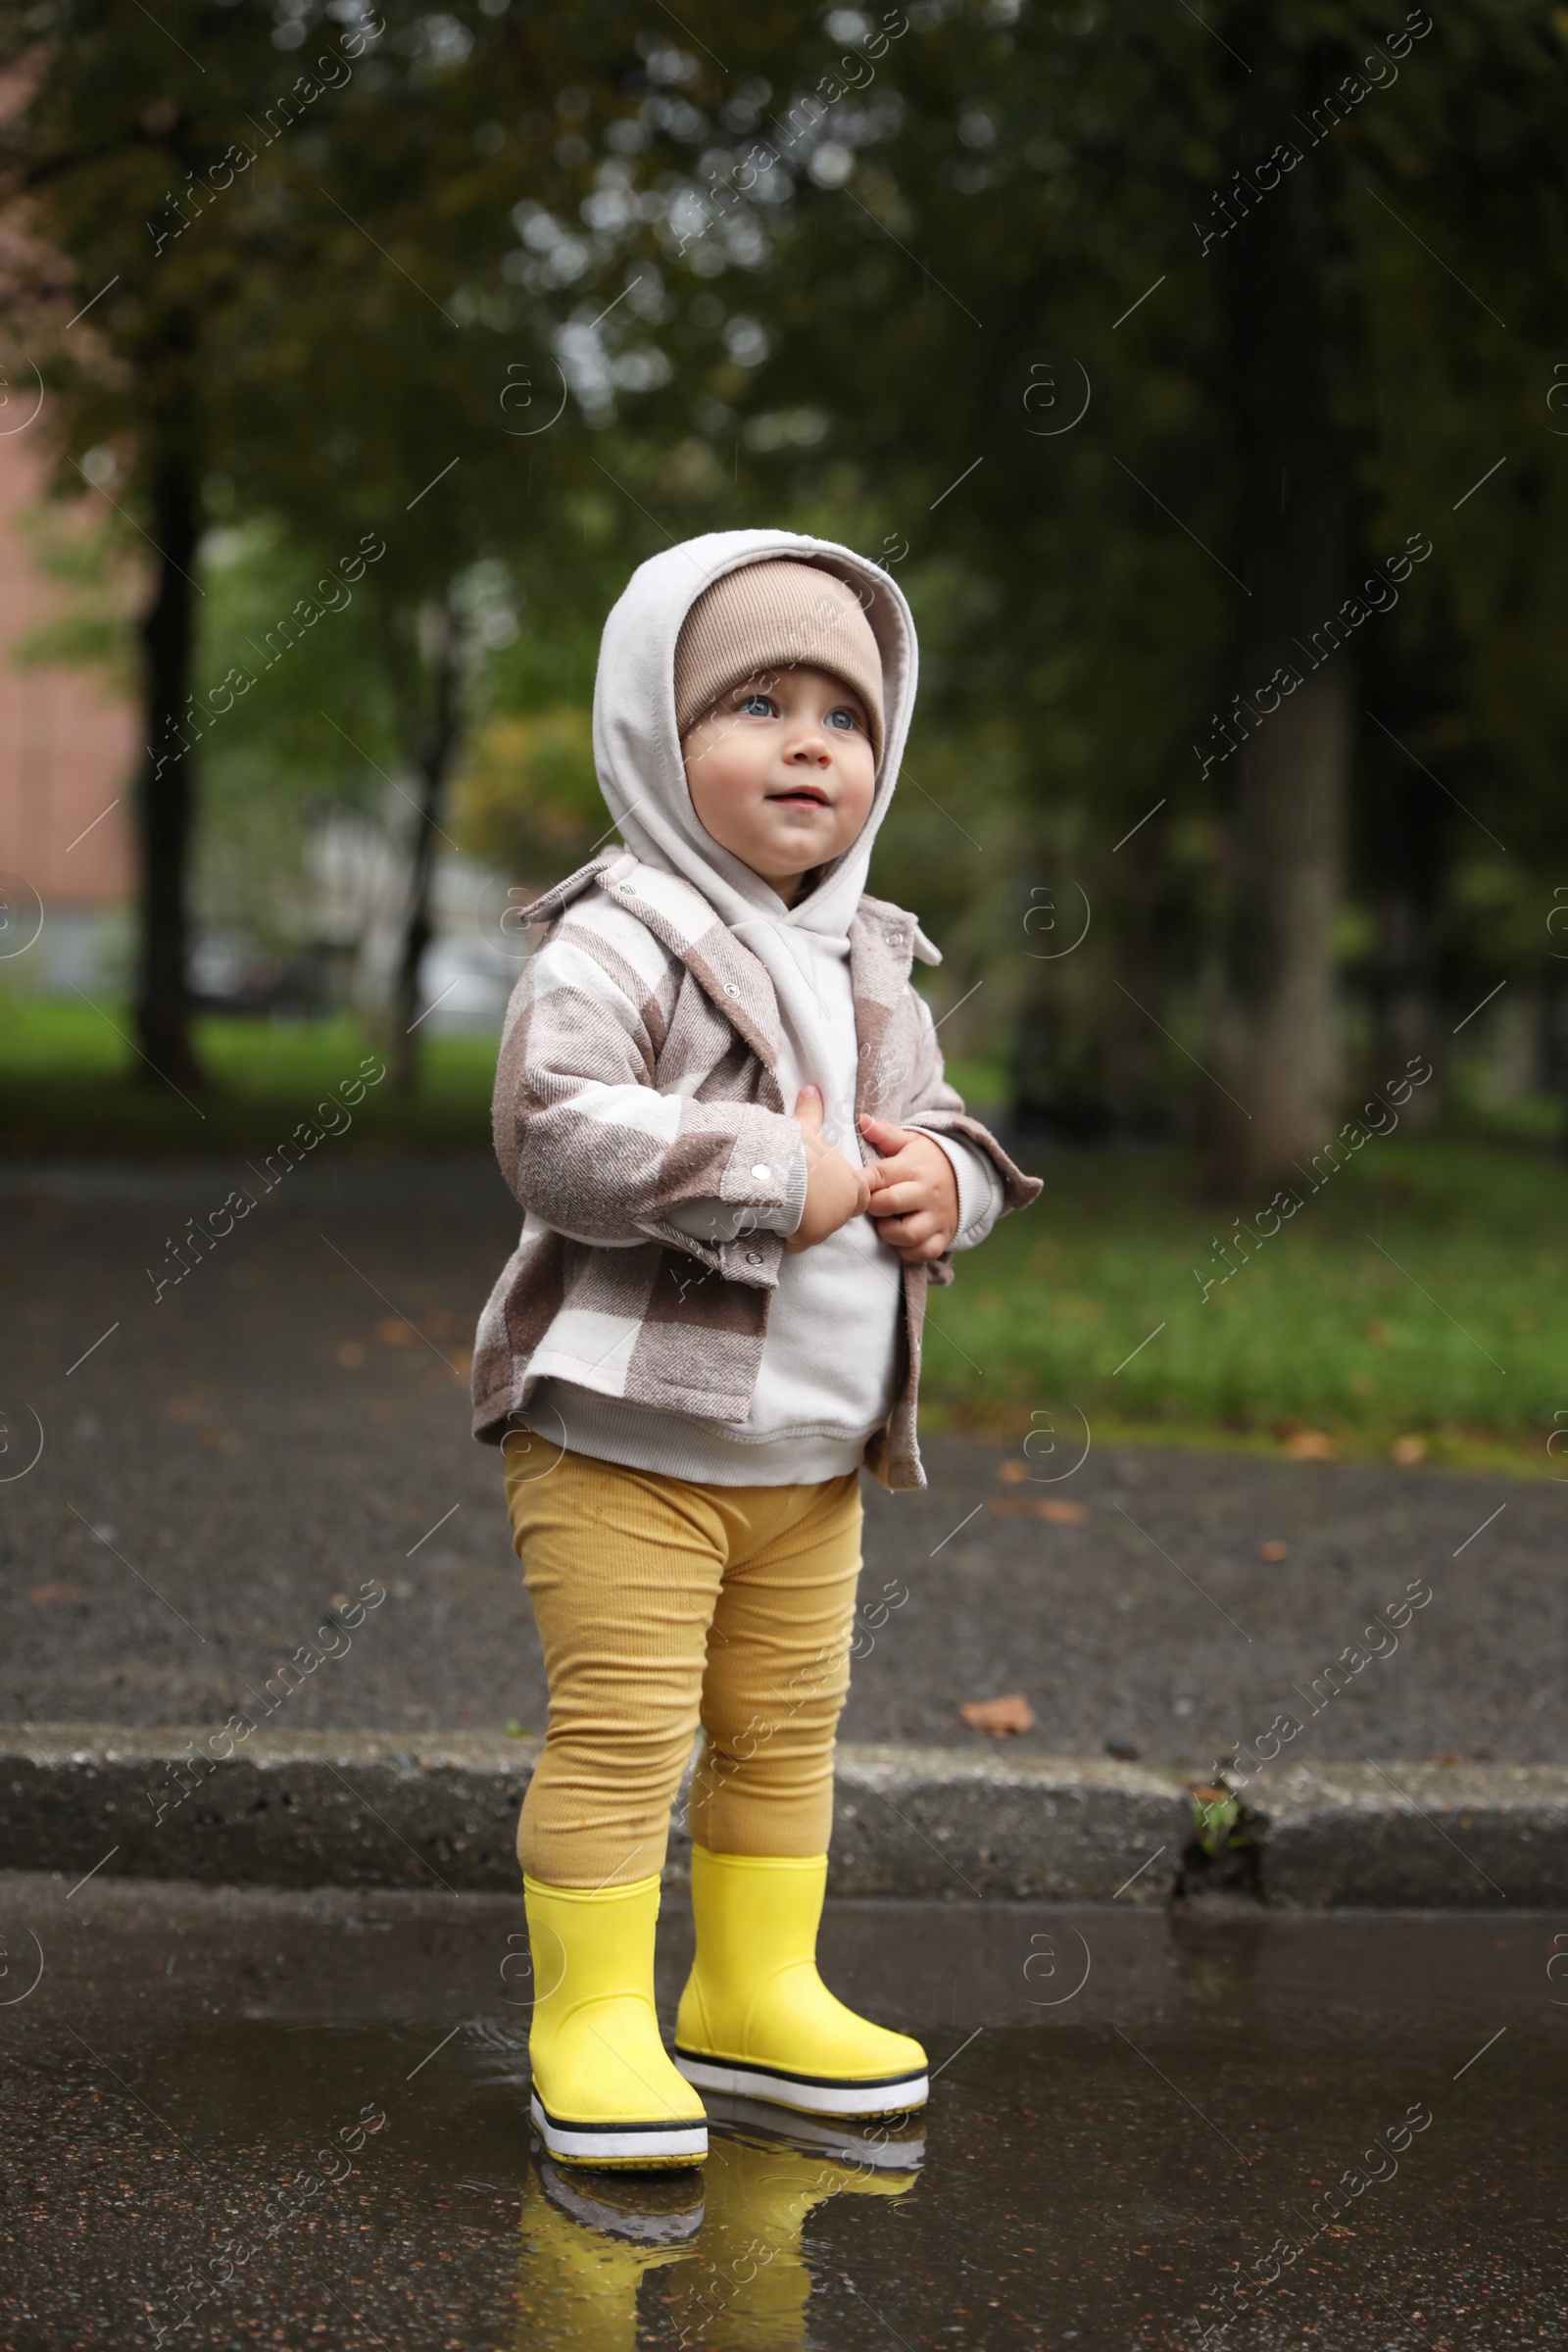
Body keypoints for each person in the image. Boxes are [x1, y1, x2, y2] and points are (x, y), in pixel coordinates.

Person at [471, 528, 1040, 2169]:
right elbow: (553, 1131)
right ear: (657, 730)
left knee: (789, 1729)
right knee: (626, 1734)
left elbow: (927, 1126)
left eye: (845, 717)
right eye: (756, 703)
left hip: (812, 1455)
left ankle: (752, 1985)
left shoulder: (878, 959)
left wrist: (951, 1184)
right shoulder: (618, 934)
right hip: (627, 1444)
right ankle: (589, 2014)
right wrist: (773, 1175)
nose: (810, 743)